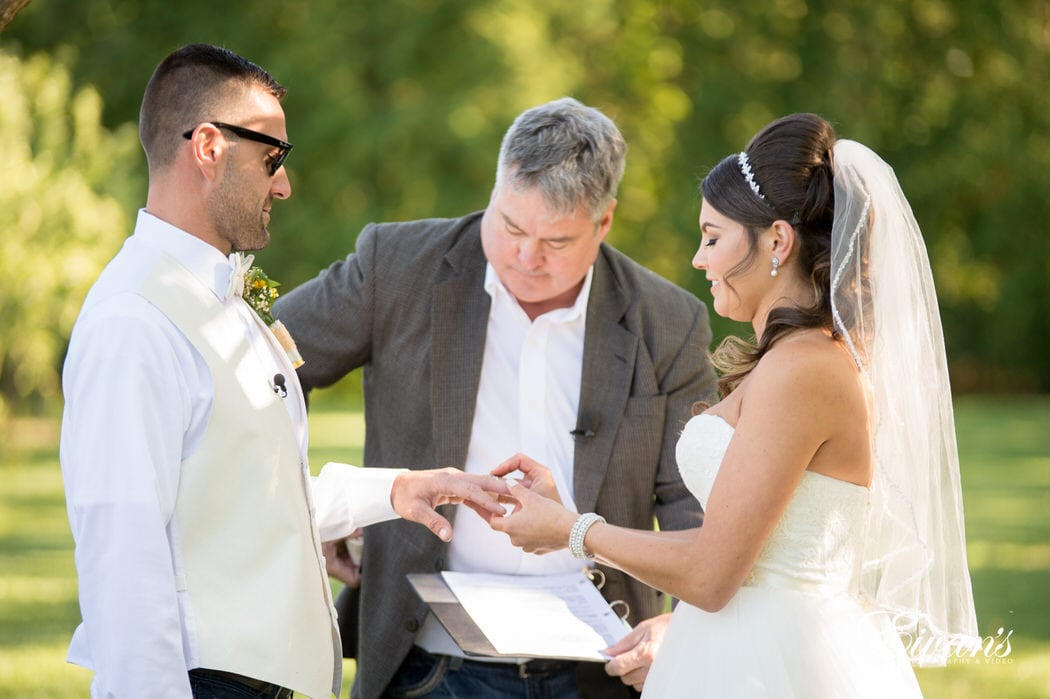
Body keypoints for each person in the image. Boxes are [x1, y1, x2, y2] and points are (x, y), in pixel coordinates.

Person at [59, 43, 507, 699]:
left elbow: (246, 491)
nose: (284, 184)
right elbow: (122, 555)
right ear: (209, 147)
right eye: (272, 157)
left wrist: (397, 490)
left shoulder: (219, 299)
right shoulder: (135, 318)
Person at [484, 113, 981, 696]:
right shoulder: (791, 360)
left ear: (777, 240)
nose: (699, 258)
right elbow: (723, 544)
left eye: (713, 237)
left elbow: (712, 575)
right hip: (742, 644)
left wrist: (571, 531)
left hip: (780, 662)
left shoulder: (804, 368)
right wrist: (565, 521)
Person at [272, 97, 718, 698]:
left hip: (601, 675)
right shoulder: (397, 266)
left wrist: (682, 622)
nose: (526, 258)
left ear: (604, 222)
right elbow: (258, 367)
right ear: (495, 188)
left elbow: (699, 509)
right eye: (510, 227)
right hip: (427, 667)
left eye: (556, 242)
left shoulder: (669, 322)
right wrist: (325, 504)